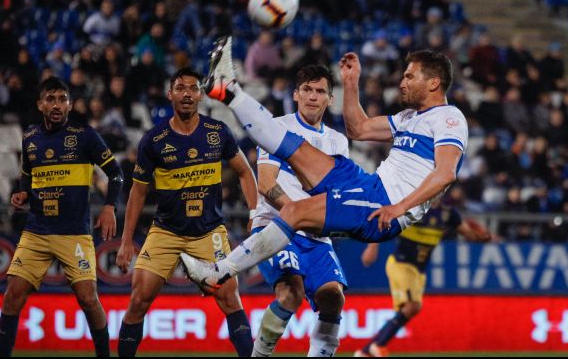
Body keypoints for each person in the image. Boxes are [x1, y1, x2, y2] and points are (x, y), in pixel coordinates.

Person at [180, 36, 468, 307]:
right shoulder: (410, 117)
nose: (402, 82)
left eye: (409, 76)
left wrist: (399, 208)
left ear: (433, 83)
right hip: (368, 184)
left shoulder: (449, 118)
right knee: (291, 145)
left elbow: (445, 173)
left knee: (293, 213)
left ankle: (217, 274)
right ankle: (227, 89)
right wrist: (351, 83)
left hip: (384, 203)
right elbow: (359, 129)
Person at [115, 68, 257, 357]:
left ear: (201, 95)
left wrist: (255, 213)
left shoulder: (217, 132)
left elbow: (245, 172)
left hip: (209, 232)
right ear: (171, 94)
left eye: (193, 89)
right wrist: (127, 240)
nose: (187, 94)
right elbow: (138, 192)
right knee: (139, 299)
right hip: (166, 232)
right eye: (180, 88)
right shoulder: (154, 140)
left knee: (230, 298)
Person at [0, 77, 124, 357]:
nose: (57, 105)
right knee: (11, 298)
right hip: (37, 231)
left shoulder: (85, 135)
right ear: (40, 104)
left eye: (62, 99)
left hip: (74, 233)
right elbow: (27, 176)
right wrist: (23, 194)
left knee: (88, 299)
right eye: (51, 99)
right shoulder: (30, 138)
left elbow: (116, 173)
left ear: (69, 104)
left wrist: (109, 207)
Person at [251, 65, 349, 357]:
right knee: (290, 293)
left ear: (330, 99)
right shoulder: (276, 128)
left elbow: (335, 194)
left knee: (333, 297)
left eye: (320, 91)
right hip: (276, 225)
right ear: (295, 94)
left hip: (316, 235)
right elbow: (266, 183)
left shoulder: (338, 142)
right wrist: (298, 213)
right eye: (307, 89)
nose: (313, 96)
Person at [354, 205, 490, 357]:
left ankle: (366, 351)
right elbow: (384, 218)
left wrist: (482, 237)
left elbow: (468, 234)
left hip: (419, 270)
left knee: (411, 309)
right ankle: (378, 345)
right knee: (412, 306)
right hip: (401, 264)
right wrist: (372, 248)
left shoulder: (448, 213)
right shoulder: (413, 206)